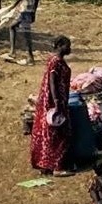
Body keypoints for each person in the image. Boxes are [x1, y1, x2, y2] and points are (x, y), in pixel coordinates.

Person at [29, 36, 74, 176]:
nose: (69, 48)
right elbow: (52, 82)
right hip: (54, 103)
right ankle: (57, 167)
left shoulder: (55, 61)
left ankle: (46, 164)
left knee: (50, 132)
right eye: (67, 45)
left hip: (55, 101)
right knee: (58, 133)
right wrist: (57, 102)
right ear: (60, 45)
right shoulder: (55, 62)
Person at [4, 0, 41, 66]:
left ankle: (29, 57)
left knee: (25, 33)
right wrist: (34, 11)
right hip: (30, 9)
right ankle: (13, 52)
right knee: (14, 27)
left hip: (23, 9)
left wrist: (12, 6)